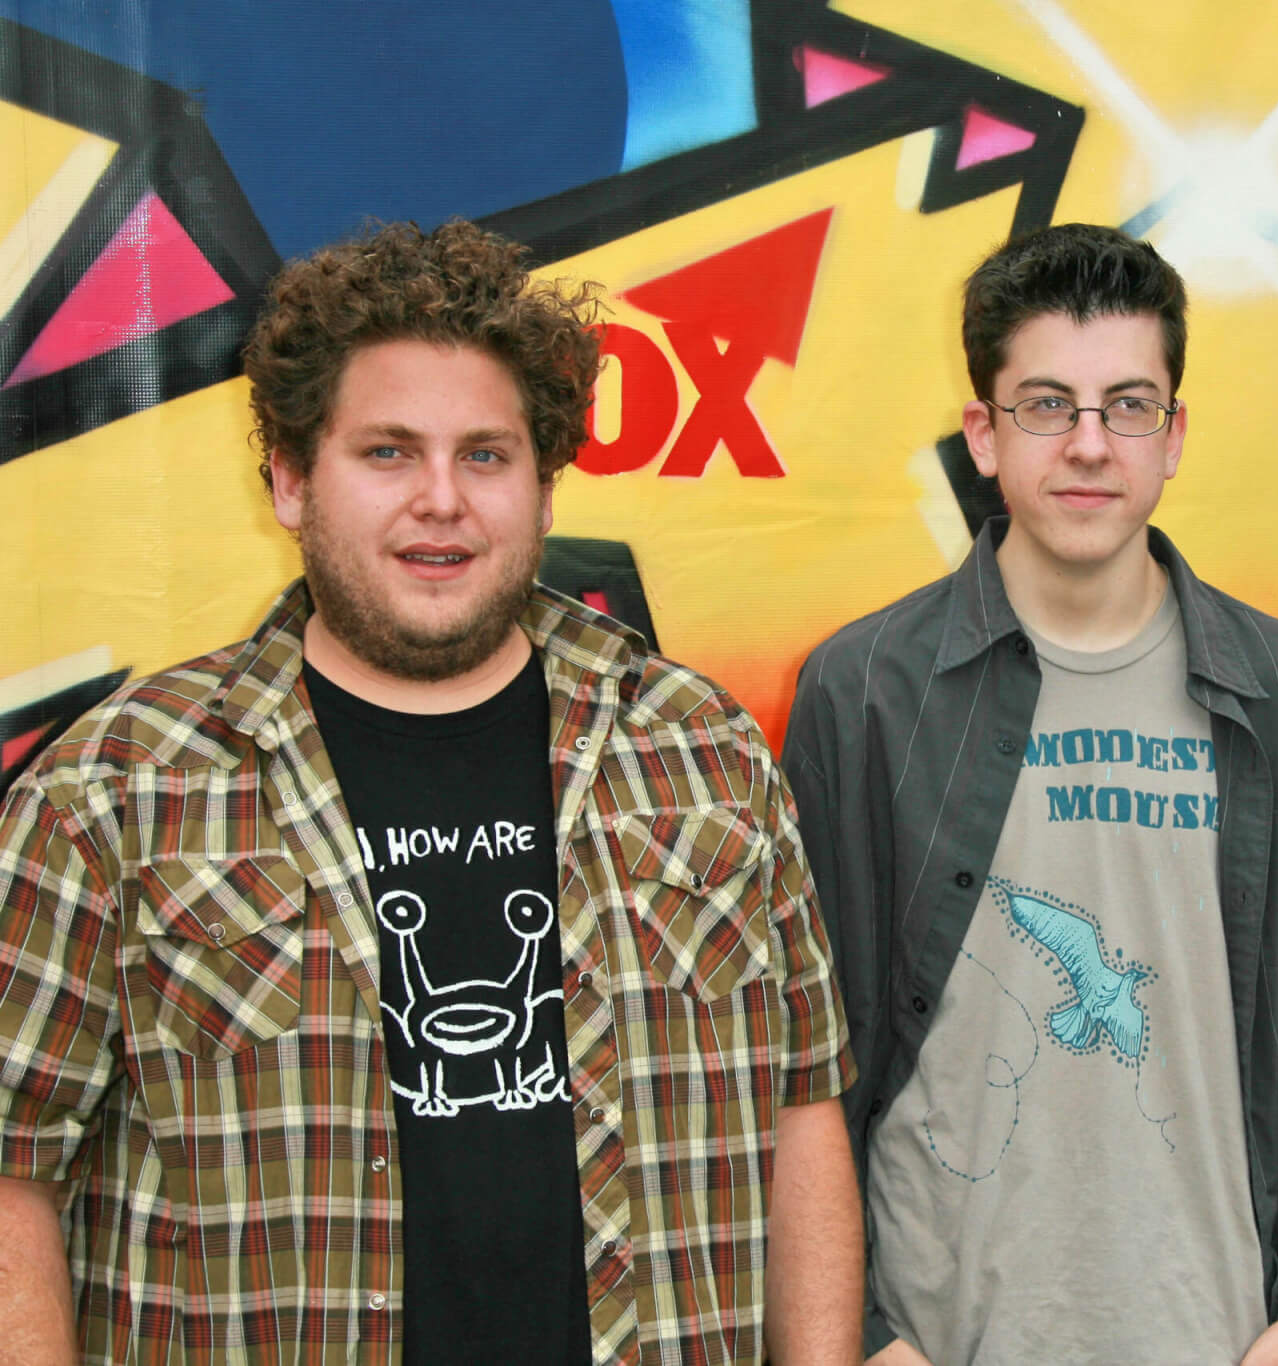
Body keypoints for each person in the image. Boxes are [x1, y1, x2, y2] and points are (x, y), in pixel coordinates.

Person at [0, 219, 862, 1366]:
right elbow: (13, 1170)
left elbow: (800, 1112)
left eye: (486, 455)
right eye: (388, 452)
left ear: (544, 491)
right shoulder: (115, 791)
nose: (441, 499)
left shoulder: (700, 751)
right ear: (291, 480)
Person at [782, 223, 1278, 1366]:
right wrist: (863, 1335)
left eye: (1127, 405)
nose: (1089, 444)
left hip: (1220, 1335)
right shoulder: (865, 689)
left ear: (1173, 434)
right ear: (983, 434)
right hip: (942, 1339)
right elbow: (808, 1049)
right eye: (1046, 405)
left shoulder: (1276, 684)